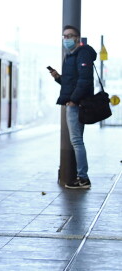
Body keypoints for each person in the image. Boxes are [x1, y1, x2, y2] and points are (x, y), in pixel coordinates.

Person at [49, 24, 96, 189]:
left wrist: (74, 100)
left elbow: (85, 80)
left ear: (77, 38)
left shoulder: (82, 53)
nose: (66, 39)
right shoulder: (71, 55)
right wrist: (58, 78)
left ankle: (83, 178)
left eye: (69, 36)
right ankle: (82, 176)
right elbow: (71, 82)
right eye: (64, 36)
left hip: (76, 104)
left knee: (76, 141)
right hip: (74, 101)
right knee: (77, 140)